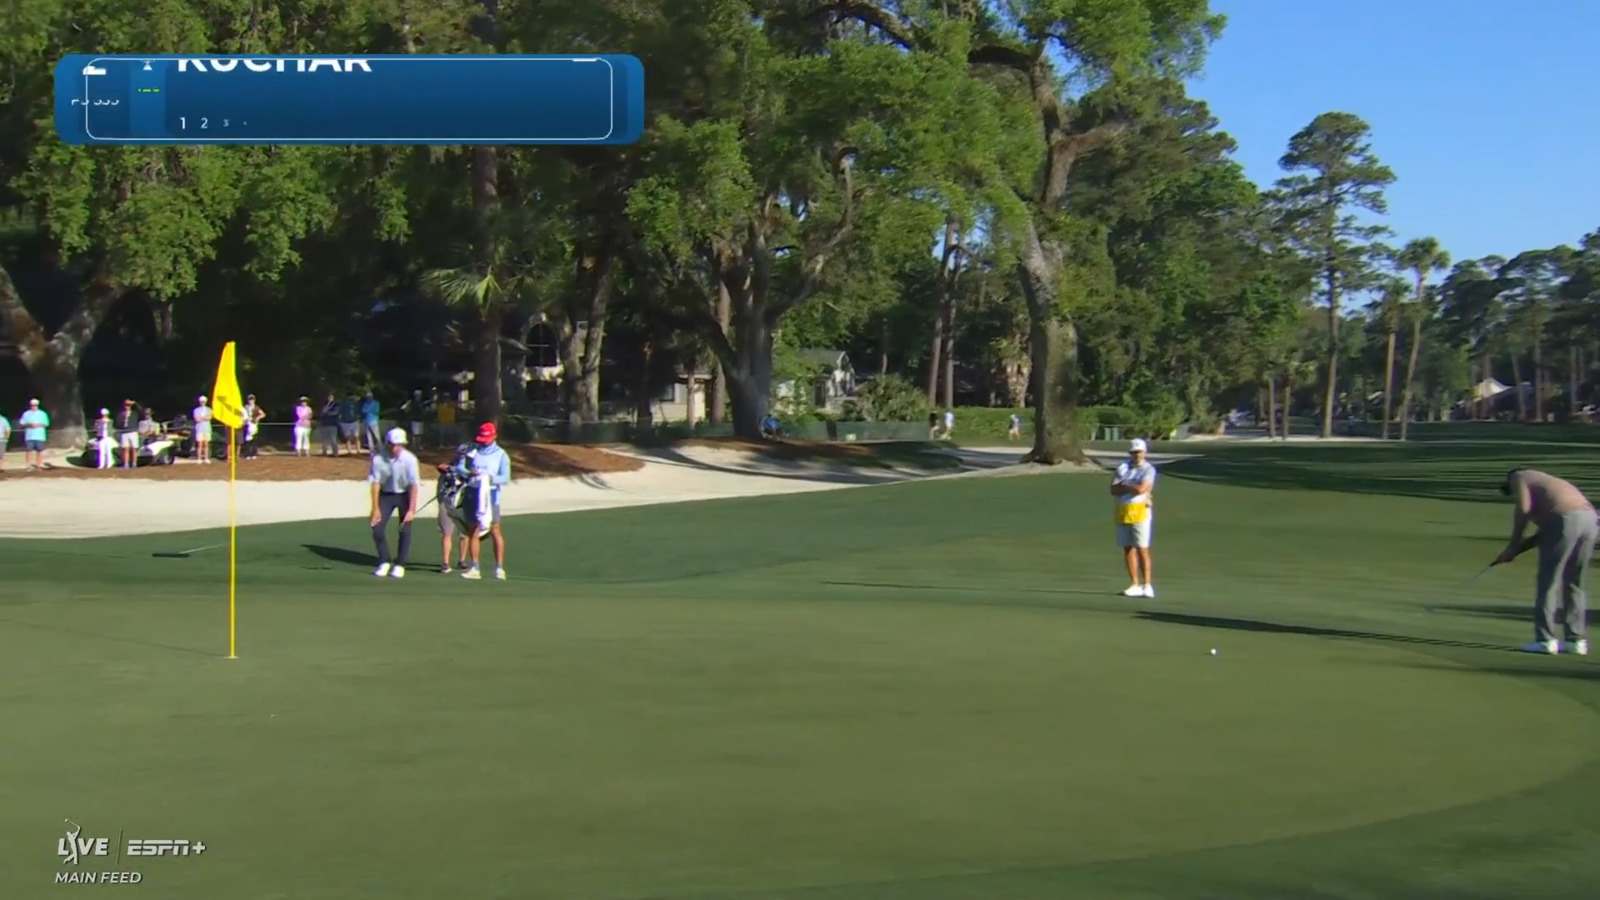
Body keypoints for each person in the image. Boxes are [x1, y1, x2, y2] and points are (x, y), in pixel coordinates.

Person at [1494, 468, 1599, 655]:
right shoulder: (1547, 484)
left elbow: (1524, 509)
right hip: (1590, 519)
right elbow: (1544, 535)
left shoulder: (1519, 476)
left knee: (1548, 582)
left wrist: (1512, 545)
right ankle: (1575, 641)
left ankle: (1545, 640)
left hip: (1566, 519)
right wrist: (1515, 551)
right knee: (1574, 582)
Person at [456, 421, 511, 581]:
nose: (483, 442)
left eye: (486, 439)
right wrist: (469, 473)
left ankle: (499, 568)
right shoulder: (473, 450)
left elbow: (505, 477)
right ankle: (475, 567)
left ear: (494, 436)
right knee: (473, 529)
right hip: (473, 492)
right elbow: (460, 467)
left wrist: (489, 478)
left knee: (495, 530)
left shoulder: (501, 455)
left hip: (491, 495)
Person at [368, 427, 421, 579]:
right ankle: (384, 561)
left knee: (404, 529)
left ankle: (400, 564)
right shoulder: (378, 459)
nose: (395, 448)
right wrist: (375, 508)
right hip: (386, 495)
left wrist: (411, 509)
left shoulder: (410, 459)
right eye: (392, 444)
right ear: (387, 443)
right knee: (377, 528)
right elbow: (375, 483)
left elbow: (414, 485)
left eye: (399, 444)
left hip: (404, 495)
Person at [1111, 438, 1157, 599]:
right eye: (1134, 452)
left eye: (1139, 452)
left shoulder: (1148, 469)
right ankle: (1135, 584)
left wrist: (1125, 485)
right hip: (1123, 510)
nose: (1136, 455)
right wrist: (1130, 486)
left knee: (1142, 548)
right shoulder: (1123, 467)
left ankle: (1147, 585)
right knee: (1128, 548)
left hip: (1141, 511)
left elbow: (1141, 489)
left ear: (1144, 452)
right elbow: (1113, 490)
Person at [435, 445, 473, 574]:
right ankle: (445, 563)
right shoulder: (449, 468)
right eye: (460, 454)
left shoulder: (471, 470)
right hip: (447, 503)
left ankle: (462, 561)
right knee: (447, 533)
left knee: (464, 534)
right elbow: (441, 468)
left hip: (463, 504)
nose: (462, 457)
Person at [19, 398, 49, 470]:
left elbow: (46, 424)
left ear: (37, 405)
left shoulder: (42, 414)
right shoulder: (26, 413)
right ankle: (28, 465)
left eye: (35, 405)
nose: (34, 406)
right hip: (29, 436)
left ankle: (39, 465)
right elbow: (22, 423)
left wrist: (38, 425)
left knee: (39, 451)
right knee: (29, 451)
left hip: (40, 436)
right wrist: (29, 425)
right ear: (30, 405)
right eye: (32, 405)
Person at [114, 399, 140, 469]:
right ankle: (126, 464)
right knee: (125, 448)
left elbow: (141, 411)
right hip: (124, 432)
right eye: (126, 405)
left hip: (133, 432)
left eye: (128, 405)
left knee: (134, 448)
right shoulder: (121, 414)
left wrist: (135, 403)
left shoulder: (135, 413)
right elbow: (117, 423)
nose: (127, 407)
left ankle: (134, 463)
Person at [241, 395, 266, 459]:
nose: (251, 401)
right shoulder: (246, 407)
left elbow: (263, 414)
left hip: (254, 424)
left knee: (254, 439)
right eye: (250, 399)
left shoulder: (256, 407)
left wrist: (258, 417)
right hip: (247, 424)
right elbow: (242, 414)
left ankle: (254, 453)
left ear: (254, 400)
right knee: (247, 439)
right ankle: (247, 454)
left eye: (252, 399)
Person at [192, 394, 213, 464]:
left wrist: (202, 418)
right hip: (199, 429)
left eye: (204, 401)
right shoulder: (196, 410)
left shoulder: (209, 409)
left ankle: (206, 458)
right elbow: (196, 419)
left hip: (207, 428)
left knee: (206, 444)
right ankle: (199, 458)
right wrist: (204, 418)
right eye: (201, 401)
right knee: (199, 444)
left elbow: (209, 418)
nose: (202, 402)